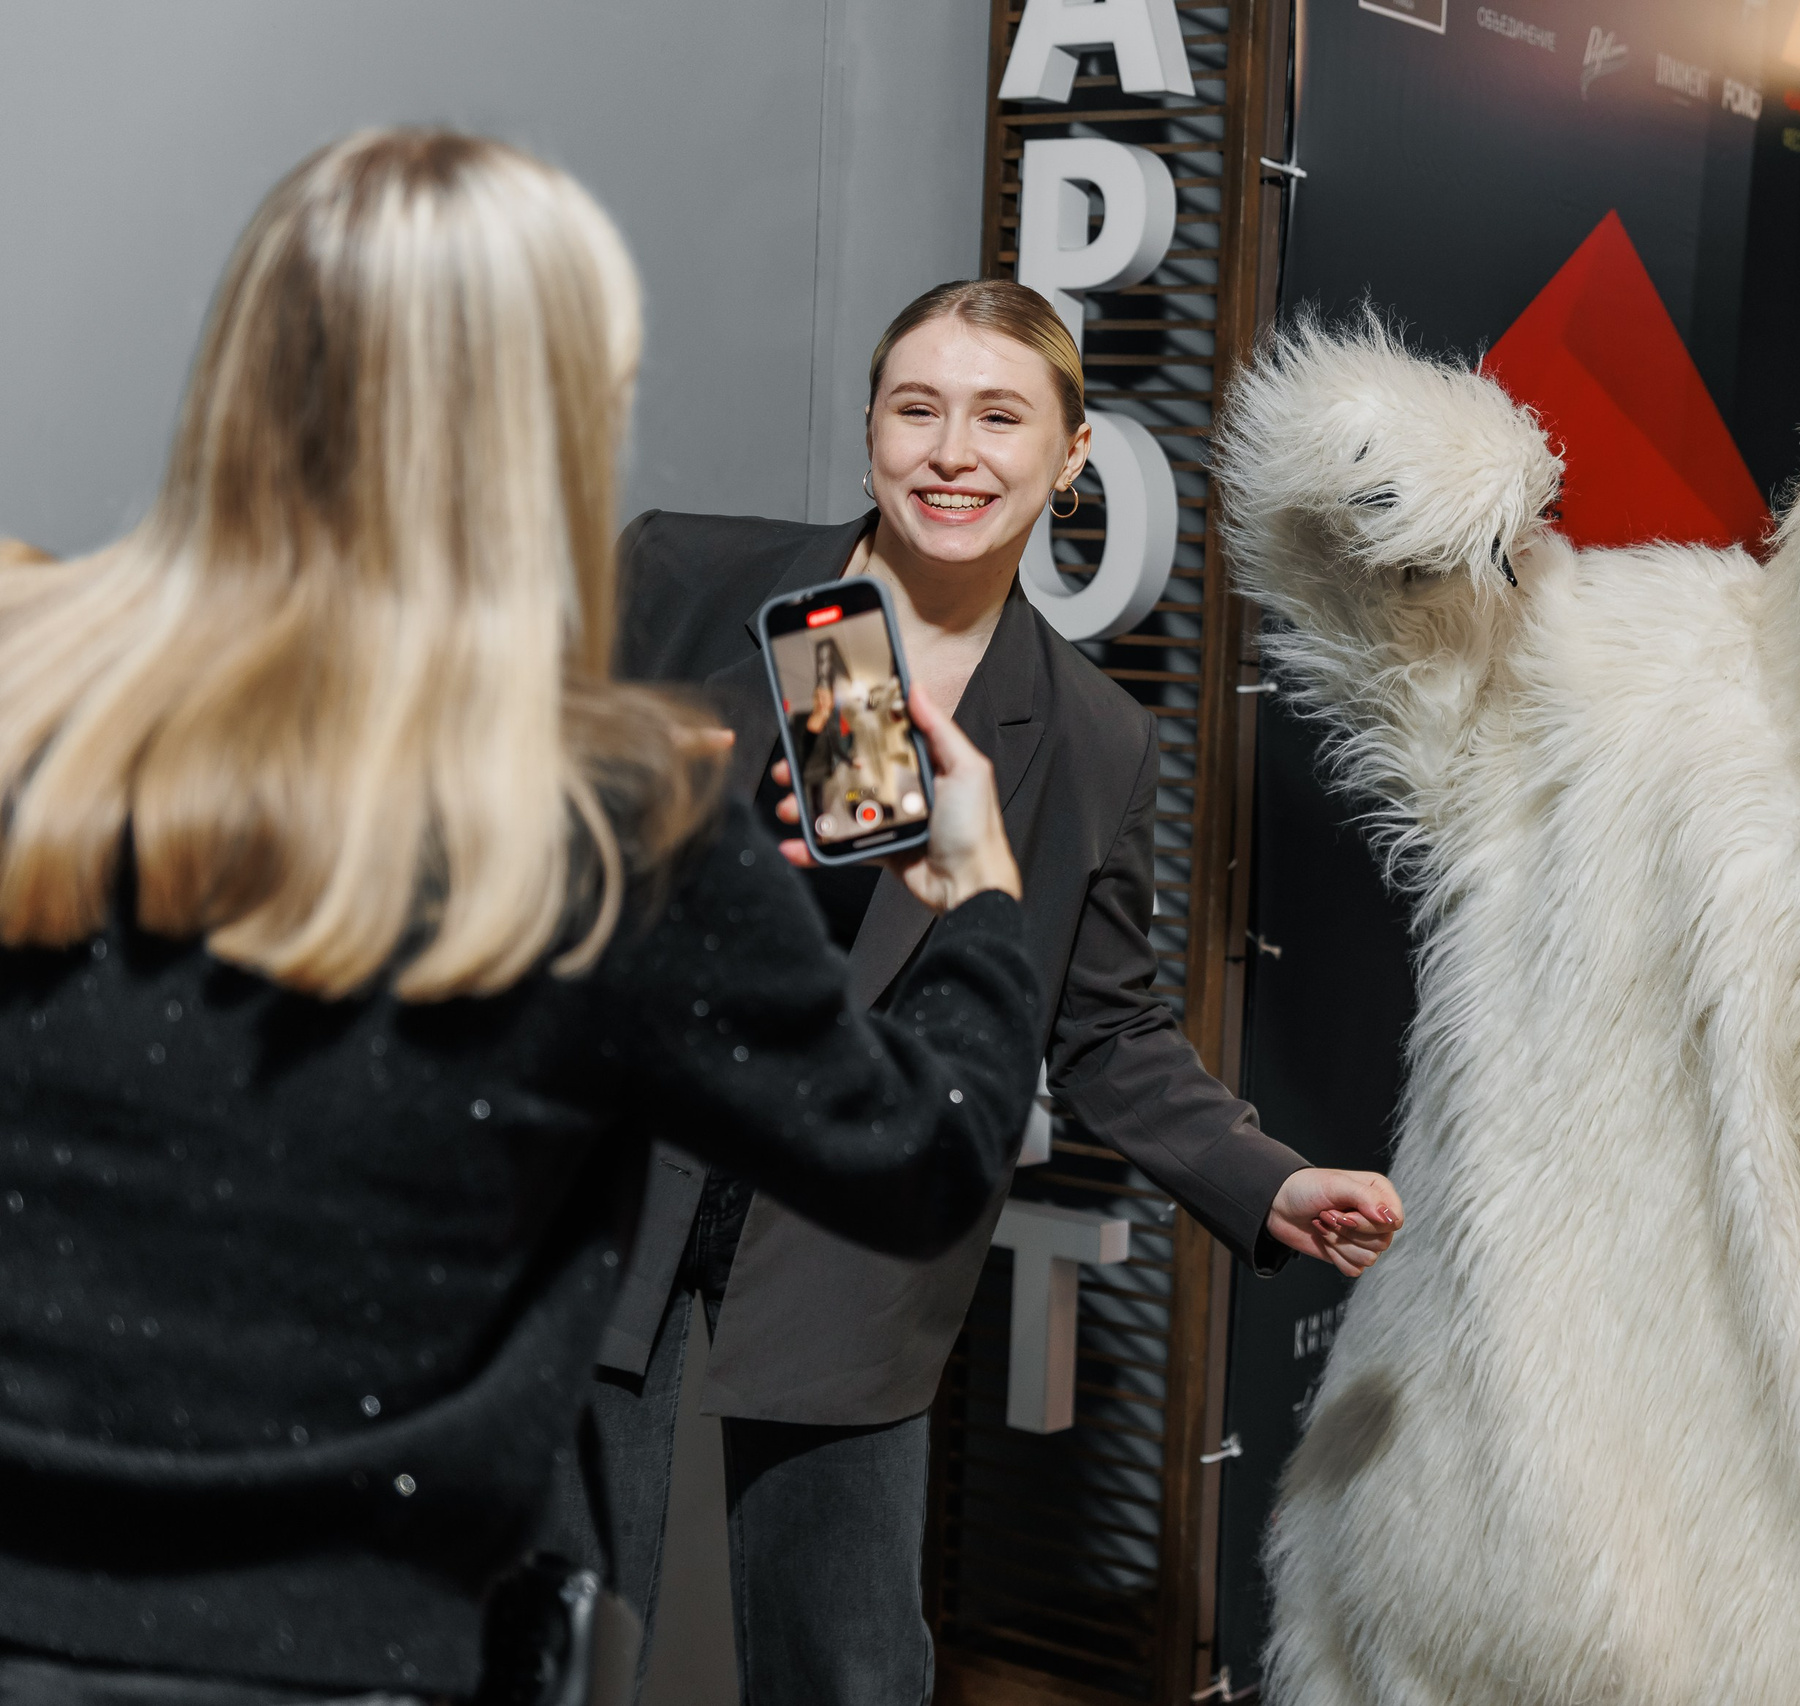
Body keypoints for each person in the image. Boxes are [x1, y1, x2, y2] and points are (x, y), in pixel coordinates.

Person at [0, 131, 1041, 1705]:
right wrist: (973, 898)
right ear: (559, 417)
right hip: (369, 1652)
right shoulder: (605, 835)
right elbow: (924, 1153)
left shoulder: (27, 705)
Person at [593, 278, 1405, 1704]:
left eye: (998, 415)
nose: (951, 452)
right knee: (558, 1642)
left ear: (1071, 453)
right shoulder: (681, 580)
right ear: (867, 439)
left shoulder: (1089, 735)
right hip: (607, 1194)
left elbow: (1102, 1027)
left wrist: (1259, 1180)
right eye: (917, 409)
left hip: (855, 1239)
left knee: (845, 1667)